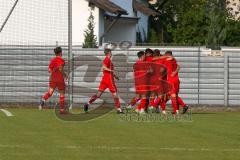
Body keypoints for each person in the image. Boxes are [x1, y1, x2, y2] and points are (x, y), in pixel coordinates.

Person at [83, 48, 123, 114]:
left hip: (105, 79)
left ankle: (87, 103)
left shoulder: (108, 60)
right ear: (109, 53)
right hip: (109, 80)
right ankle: (119, 109)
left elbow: (106, 70)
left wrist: (115, 76)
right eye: (111, 52)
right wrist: (112, 71)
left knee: (98, 94)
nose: (112, 54)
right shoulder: (107, 59)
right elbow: (104, 67)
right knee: (115, 94)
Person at [39, 47, 68, 114]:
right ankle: (62, 110)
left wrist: (53, 73)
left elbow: (49, 70)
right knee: (62, 94)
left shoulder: (53, 60)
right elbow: (60, 69)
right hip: (60, 79)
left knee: (50, 92)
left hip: (53, 79)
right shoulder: (62, 60)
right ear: (61, 52)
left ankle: (43, 99)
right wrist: (65, 75)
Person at [164, 51, 189, 115]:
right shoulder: (174, 60)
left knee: (173, 96)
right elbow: (179, 66)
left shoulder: (167, 61)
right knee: (175, 96)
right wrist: (175, 72)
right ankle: (176, 110)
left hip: (171, 81)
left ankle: (182, 107)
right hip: (176, 80)